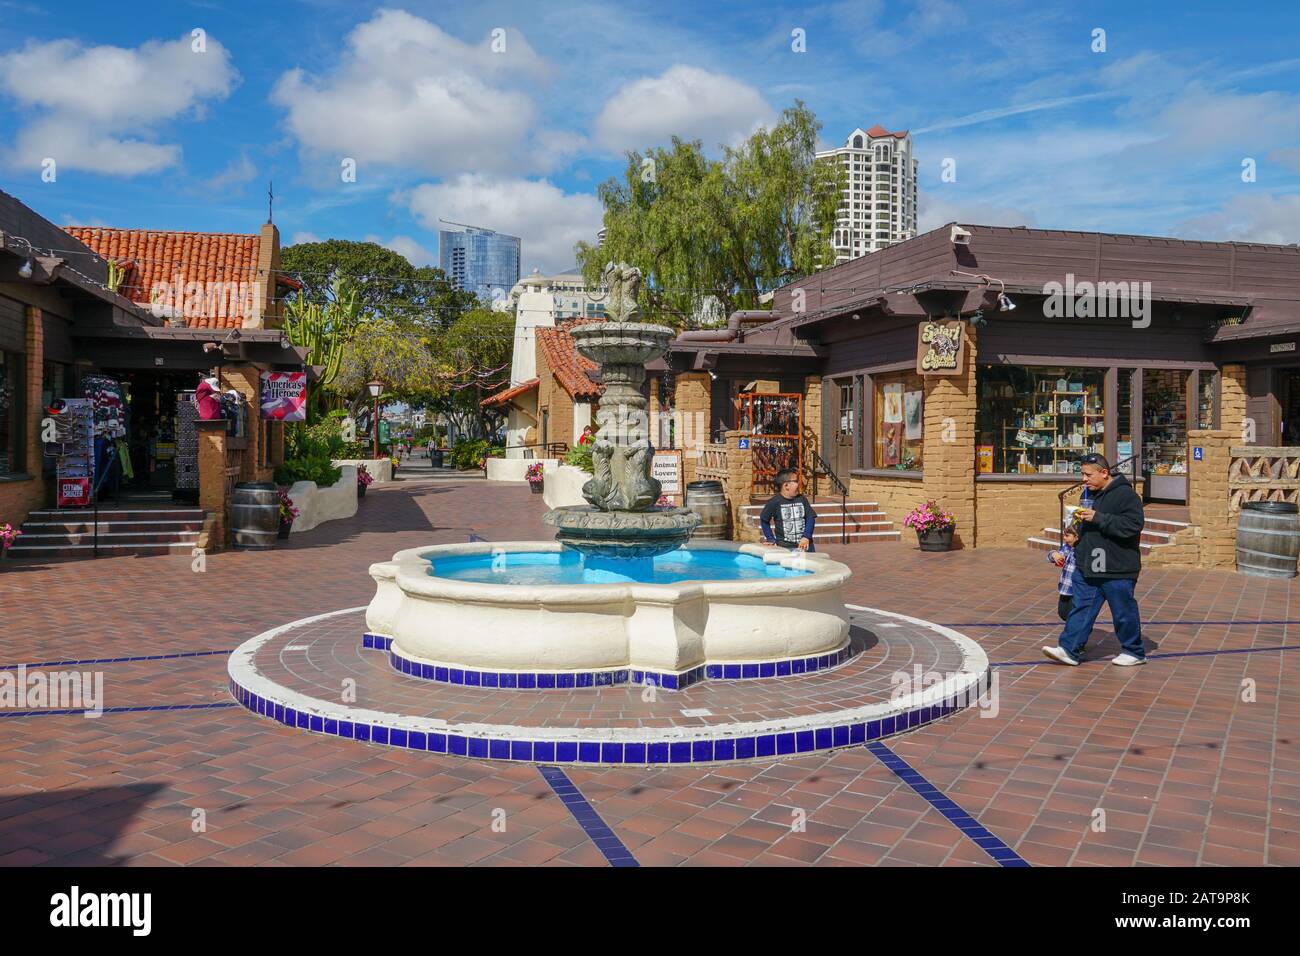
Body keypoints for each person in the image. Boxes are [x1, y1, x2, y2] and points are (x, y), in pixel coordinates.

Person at [1043, 453, 1147, 666]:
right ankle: (1069, 649)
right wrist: (1074, 532)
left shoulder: (1126, 496)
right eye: (1082, 474)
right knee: (1082, 607)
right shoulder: (1088, 492)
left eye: (1088, 474)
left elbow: (1133, 526)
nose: (1084, 479)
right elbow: (1087, 524)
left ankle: (1134, 652)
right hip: (1089, 563)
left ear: (1104, 473)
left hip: (1117, 567)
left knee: (1123, 611)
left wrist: (1098, 517)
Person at [760, 469, 815, 552]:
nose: (799, 483)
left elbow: (811, 518)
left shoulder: (802, 499)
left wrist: (806, 536)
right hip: (786, 547)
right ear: (786, 486)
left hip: (806, 545)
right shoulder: (775, 502)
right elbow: (764, 519)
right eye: (796, 481)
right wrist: (771, 539)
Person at [1047, 525, 1079, 622]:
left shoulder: (1081, 551)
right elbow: (1050, 557)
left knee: (1073, 615)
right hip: (1065, 588)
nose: (1064, 538)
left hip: (1076, 590)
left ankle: (1077, 631)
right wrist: (1054, 554)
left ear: (1076, 537)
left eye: (1067, 535)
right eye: (1064, 535)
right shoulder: (1066, 548)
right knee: (1062, 613)